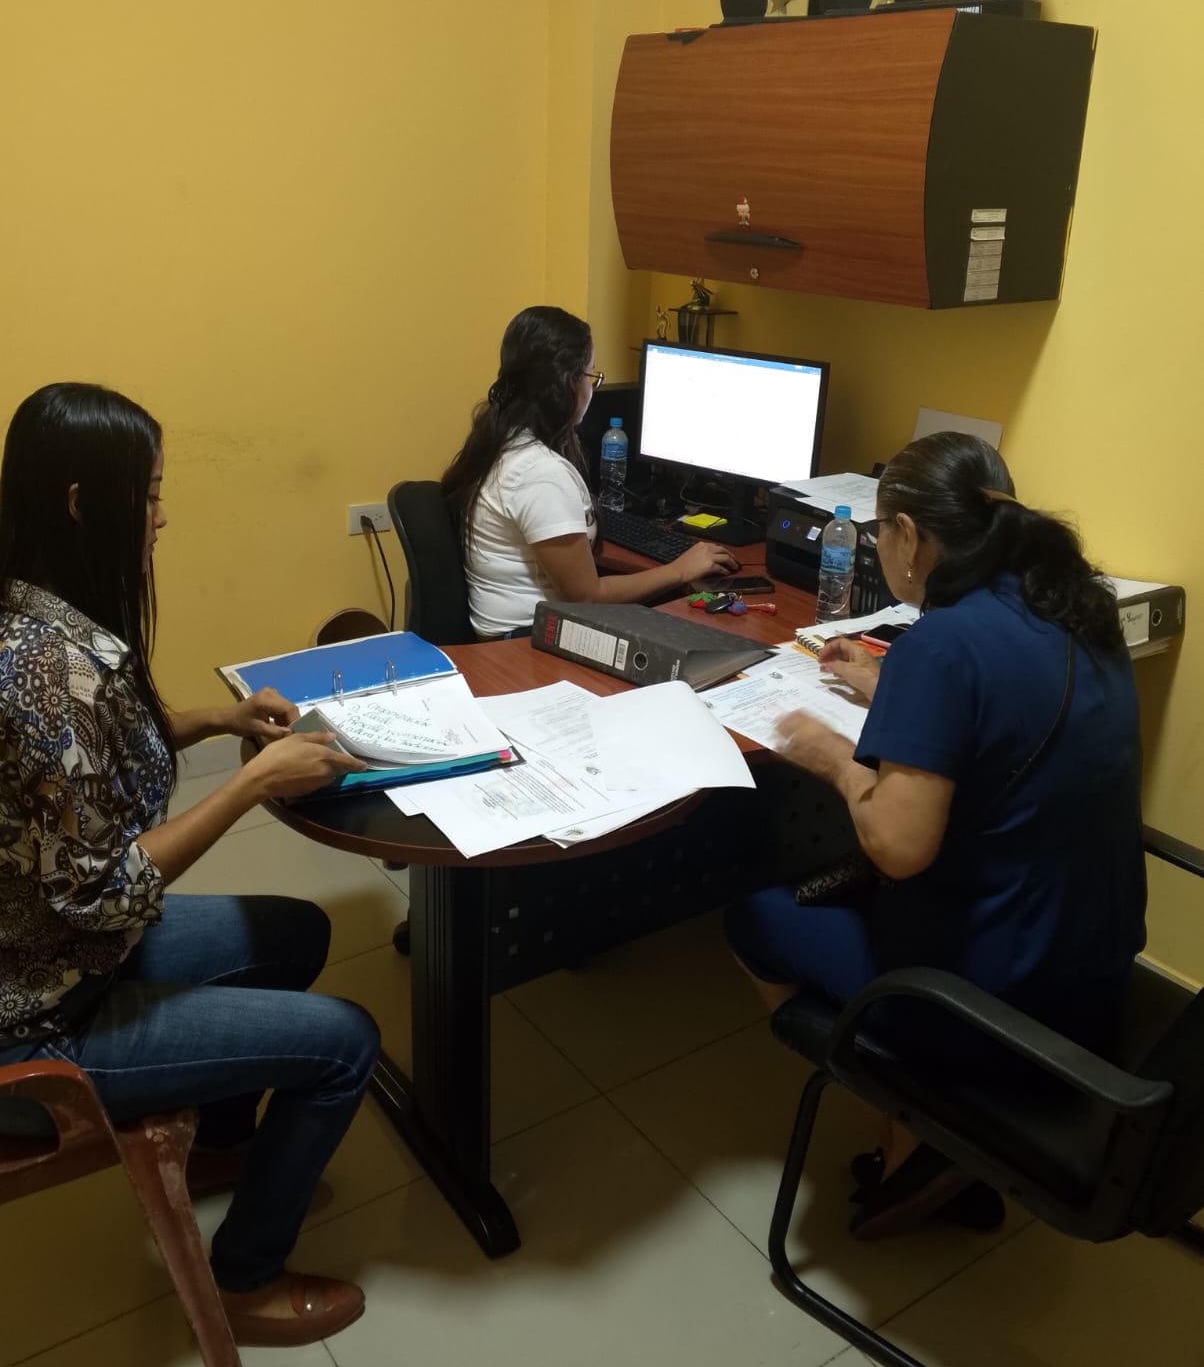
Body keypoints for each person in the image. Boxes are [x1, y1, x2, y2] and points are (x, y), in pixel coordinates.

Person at [0, 383, 381, 1348]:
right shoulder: (41, 673)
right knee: (346, 1043)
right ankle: (245, 1280)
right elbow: (102, 890)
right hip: (37, 1024)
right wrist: (250, 785)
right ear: (82, 502)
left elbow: (85, 767)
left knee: (296, 932)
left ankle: (218, 1145)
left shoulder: (33, 612)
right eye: (151, 493)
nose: (163, 516)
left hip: (50, 955)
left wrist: (219, 718)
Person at [725, 431, 1147, 1237]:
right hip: (1096, 977)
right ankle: (938, 1122)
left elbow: (898, 846)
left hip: (990, 1002)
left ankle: (918, 1123)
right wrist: (885, 681)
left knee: (756, 916)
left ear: (909, 536)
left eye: (879, 534)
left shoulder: (944, 644)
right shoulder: (1078, 609)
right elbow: (1005, 711)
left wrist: (830, 755)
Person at [442, 305, 738, 637]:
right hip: (527, 641)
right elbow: (586, 597)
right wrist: (680, 570)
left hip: (510, 635)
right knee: (700, 632)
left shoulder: (500, 441)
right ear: (566, 383)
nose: (592, 388)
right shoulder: (540, 474)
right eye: (591, 376)